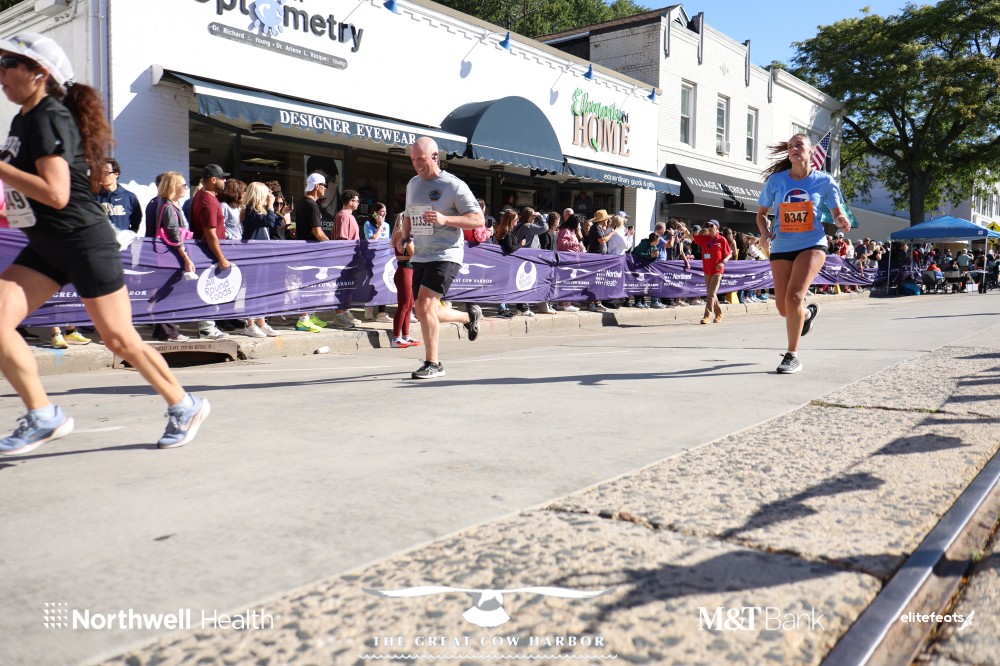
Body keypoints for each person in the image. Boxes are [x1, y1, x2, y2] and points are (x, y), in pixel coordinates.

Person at [0, 32, 209, 454]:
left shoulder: (49, 116)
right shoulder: (23, 119)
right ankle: (43, 415)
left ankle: (185, 405)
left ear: (39, 73)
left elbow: (56, 193)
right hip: (46, 244)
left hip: (83, 241)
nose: (0, 72)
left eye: (8, 63)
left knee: (119, 339)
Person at [757, 133, 851, 374]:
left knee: (795, 297)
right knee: (783, 308)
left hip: (812, 244)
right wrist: (765, 232)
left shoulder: (824, 181)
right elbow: (761, 214)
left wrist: (840, 220)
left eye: (799, 145)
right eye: (790, 146)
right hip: (782, 246)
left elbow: (837, 212)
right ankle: (808, 314)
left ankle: (792, 356)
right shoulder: (777, 181)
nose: (794, 149)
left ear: (811, 151)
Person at [402, 137, 484, 379]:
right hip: (421, 254)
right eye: (413, 159)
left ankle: (434, 363)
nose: (417, 164)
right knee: (422, 310)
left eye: (421, 159)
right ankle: (468, 317)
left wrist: (445, 219)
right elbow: (408, 215)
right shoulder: (413, 183)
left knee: (426, 304)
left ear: (435, 157)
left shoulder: (453, 185)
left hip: (446, 253)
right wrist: (404, 237)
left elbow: (477, 219)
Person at [148, 170, 195, 342]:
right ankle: (170, 332)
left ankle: (162, 331)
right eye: (183, 185)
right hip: (171, 255)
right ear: (173, 187)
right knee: (167, 293)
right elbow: (174, 235)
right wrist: (186, 257)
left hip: (169, 254)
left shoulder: (169, 205)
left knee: (165, 291)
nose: (186, 188)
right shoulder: (168, 206)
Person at [189, 163, 232, 339]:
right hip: (208, 253)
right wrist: (221, 257)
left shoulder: (202, 196)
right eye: (222, 178)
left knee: (209, 289)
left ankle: (208, 326)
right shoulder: (207, 200)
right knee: (209, 289)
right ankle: (207, 328)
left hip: (205, 251)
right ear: (213, 180)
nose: (225, 181)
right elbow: (210, 233)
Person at [292, 173, 331, 333]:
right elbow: (318, 233)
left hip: (306, 252)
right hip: (311, 253)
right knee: (308, 286)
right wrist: (332, 245)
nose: (325, 189)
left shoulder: (303, 202)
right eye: (324, 185)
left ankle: (310, 316)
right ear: (317, 186)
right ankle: (303, 320)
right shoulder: (312, 205)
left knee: (310, 285)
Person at [240, 181, 280, 337]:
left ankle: (261, 321)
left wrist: (278, 212)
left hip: (263, 255)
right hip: (253, 256)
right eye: (266, 194)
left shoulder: (259, 211)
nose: (269, 197)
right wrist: (270, 207)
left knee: (263, 289)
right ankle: (249, 323)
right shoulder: (250, 210)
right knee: (253, 289)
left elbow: (272, 225)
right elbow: (267, 222)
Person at [328, 189, 361, 328]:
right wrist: (346, 258)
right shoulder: (343, 216)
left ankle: (345, 312)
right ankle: (339, 315)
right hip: (345, 259)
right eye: (357, 200)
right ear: (350, 201)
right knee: (342, 287)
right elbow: (342, 239)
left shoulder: (349, 216)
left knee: (349, 287)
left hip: (351, 259)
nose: (358, 203)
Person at [690, 220, 731, 324]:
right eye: (708, 226)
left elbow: (729, 254)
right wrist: (684, 230)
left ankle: (706, 316)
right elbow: (691, 237)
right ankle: (719, 314)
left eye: (712, 226)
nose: (709, 227)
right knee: (711, 294)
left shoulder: (722, 239)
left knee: (711, 293)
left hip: (717, 270)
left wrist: (723, 263)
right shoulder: (705, 238)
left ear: (717, 227)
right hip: (707, 270)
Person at [390, 214, 419, 348]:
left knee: (409, 305)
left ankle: (405, 335)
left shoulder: (405, 233)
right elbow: (413, 252)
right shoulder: (402, 232)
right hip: (405, 270)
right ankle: (396, 338)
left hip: (410, 270)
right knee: (404, 306)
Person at [362, 201, 392, 323]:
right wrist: (379, 226)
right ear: (374, 213)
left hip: (384, 258)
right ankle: (369, 307)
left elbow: (389, 241)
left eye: (385, 212)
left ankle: (381, 312)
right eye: (381, 212)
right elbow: (372, 240)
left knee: (383, 285)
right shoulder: (368, 224)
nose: (383, 214)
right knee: (371, 284)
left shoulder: (387, 225)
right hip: (372, 258)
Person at [96, 157, 141, 232]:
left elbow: (136, 220)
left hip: (122, 239)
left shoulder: (130, 197)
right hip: (102, 238)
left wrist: (130, 234)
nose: (102, 176)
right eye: (100, 173)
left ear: (116, 174)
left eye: (106, 173)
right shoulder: (94, 197)